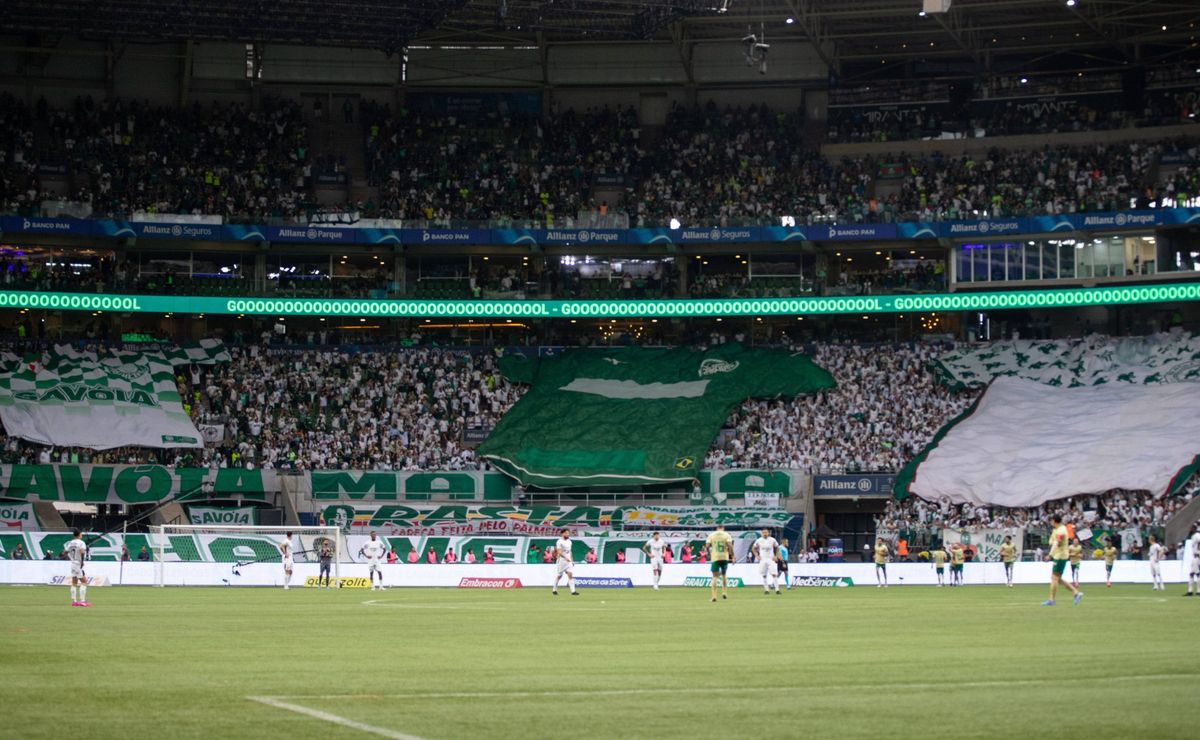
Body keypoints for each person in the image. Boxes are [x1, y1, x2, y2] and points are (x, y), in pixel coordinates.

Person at [1043, 515, 1082, 606]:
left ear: (1054, 521)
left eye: (1051, 521)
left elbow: (1058, 543)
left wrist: (1050, 555)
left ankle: (1052, 600)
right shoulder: (1058, 529)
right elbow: (1052, 541)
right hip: (1060, 555)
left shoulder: (1061, 531)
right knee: (1058, 579)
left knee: (1054, 578)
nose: (1050, 522)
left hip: (1060, 556)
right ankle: (1076, 593)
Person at [704, 523, 734, 603]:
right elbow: (730, 546)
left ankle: (714, 596)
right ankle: (724, 592)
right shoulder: (727, 535)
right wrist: (733, 556)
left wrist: (708, 553)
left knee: (714, 577)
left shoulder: (711, 535)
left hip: (715, 557)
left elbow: (707, 546)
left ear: (717, 528)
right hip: (724, 557)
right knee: (724, 575)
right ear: (723, 528)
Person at [753, 528, 782, 595]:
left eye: (766, 532)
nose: (765, 534)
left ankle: (777, 589)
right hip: (763, 559)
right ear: (761, 533)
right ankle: (766, 589)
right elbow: (753, 548)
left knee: (774, 574)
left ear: (768, 533)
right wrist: (757, 555)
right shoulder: (759, 540)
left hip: (770, 559)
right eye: (763, 533)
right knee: (764, 575)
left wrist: (776, 555)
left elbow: (777, 547)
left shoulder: (772, 540)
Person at [65, 530, 89, 607]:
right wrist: (82, 562)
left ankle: (74, 601)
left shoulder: (71, 543)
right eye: (81, 533)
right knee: (84, 582)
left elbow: (65, 552)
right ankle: (82, 601)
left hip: (72, 563)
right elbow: (82, 552)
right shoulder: (81, 543)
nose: (82, 534)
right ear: (79, 534)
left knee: (74, 583)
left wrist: (60, 557)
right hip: (78, 563)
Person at [552, 529, 578, 596]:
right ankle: (554, 590)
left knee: (570, 575)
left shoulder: (569, 541)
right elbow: (559, 552)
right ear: (562, 534)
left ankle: (573, 591)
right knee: (559, 576)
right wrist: (565, 558)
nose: (568, 534)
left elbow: (570, 552)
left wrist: (572, 560)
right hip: (562, 562)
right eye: (566, 533)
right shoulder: (559, 541)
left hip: (568, 562)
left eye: (568, 533)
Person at [1185, 528, 1200, 596]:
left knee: (1197, 574)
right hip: (1196, 556)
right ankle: (1190, 591)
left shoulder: (1196, 536)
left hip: (1196, 557)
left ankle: (1198, 591)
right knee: (1192, 573)